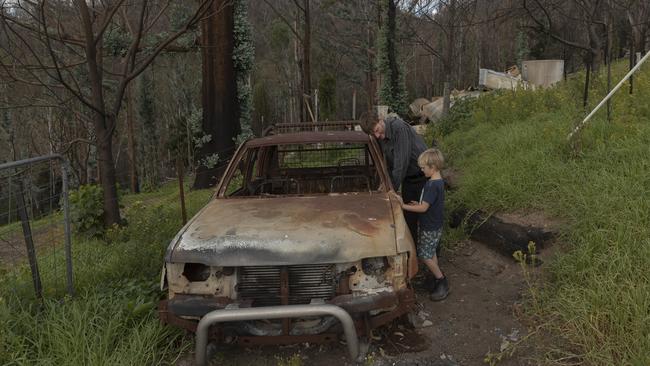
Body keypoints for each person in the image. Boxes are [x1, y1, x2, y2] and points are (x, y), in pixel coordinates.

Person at [362, 110, 427, 245]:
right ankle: (412, 255)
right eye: (373, 133)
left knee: (427, 218)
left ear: (380, 119)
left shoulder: (399, 128)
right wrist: (384, 182)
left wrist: (391, 190)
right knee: (409, 219)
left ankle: (433, 256)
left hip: (424, 178)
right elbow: (386, 164)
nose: (377, 135)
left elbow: (400, 164)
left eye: (377, 130)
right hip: (408, 179)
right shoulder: (378, 137)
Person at [399, 148, 449, 301]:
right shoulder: (437, 182)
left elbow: (423, 208)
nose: (421, 171)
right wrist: (418, 203)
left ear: (432, 167)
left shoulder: (432, 185)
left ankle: (441, 281)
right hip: (434, 224)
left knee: (424, 255)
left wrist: (404, 206)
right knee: (431, 252)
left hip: (430, 226)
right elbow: (427, 204)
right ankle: (435, 277)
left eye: (423, 168)